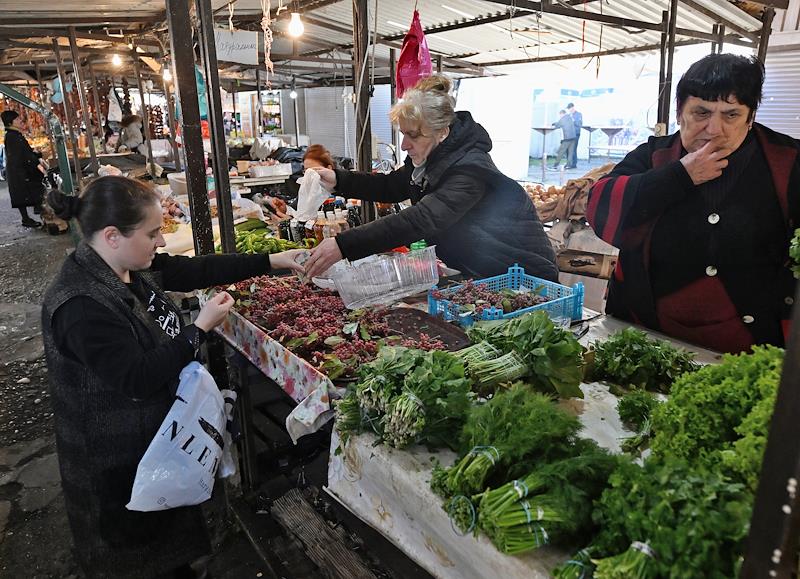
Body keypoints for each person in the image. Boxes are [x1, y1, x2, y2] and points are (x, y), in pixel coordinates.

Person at [41, 176, 304, 579]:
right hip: (118, 464)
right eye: (152, 233)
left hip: (157, 440)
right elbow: (136, 378)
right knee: (142, 558)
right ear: (112, 235)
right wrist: (198, 329)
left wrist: (273, 261)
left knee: (173, 548)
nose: (161, 243)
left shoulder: (126, 268)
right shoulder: (80, 304)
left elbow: (196, 268)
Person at [586, 53, 799, 354]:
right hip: (649, 335)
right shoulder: (654, 156)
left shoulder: (788, 161)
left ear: (750, 118)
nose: (714, 129)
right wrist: (679, 176)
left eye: (731, 115)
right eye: (701, 113)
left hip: (751, 346)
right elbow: (599, 206)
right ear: (679, 112)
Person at [304, 74, 557, 282]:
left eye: (413, 135)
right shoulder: (429, 161)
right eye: (403, 134)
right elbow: (390, 186)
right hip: (486, 272)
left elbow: (420, 220)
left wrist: (344, 245)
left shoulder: (470, 171)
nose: (404, 145)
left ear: (443, 132)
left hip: (525, 276)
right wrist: (338, 180)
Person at [2, 110, 47, 227]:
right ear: (10, 122)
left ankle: (31, 217)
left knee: (24, 194)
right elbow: (21, 155)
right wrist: (35, 160)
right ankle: (29, 218)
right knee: (25, 194)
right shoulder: (12, 136)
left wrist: (35, 155)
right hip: (19, 171)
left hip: (20, 170)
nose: (20, 121)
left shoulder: (15, 134)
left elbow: (25, 152)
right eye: (16, 119)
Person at [567, 103, 583, 169]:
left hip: (576, 134)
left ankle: (573, 164)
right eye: (568, 108)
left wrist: (573, 120)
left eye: (570, 108)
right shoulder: (569, 115)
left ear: (573, 107)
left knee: (573, 149)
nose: (569, 110)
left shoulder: (578, 114)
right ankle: (569, 163)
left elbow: (579, 124)